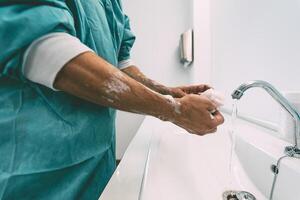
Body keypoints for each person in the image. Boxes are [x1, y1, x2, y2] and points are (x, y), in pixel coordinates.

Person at [0, 1, 224, 199]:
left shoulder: (111, 3)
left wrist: (168, 92)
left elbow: (120, 63)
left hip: (95, 158)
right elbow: (48, 50)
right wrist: (174, 109)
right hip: (38, 162)